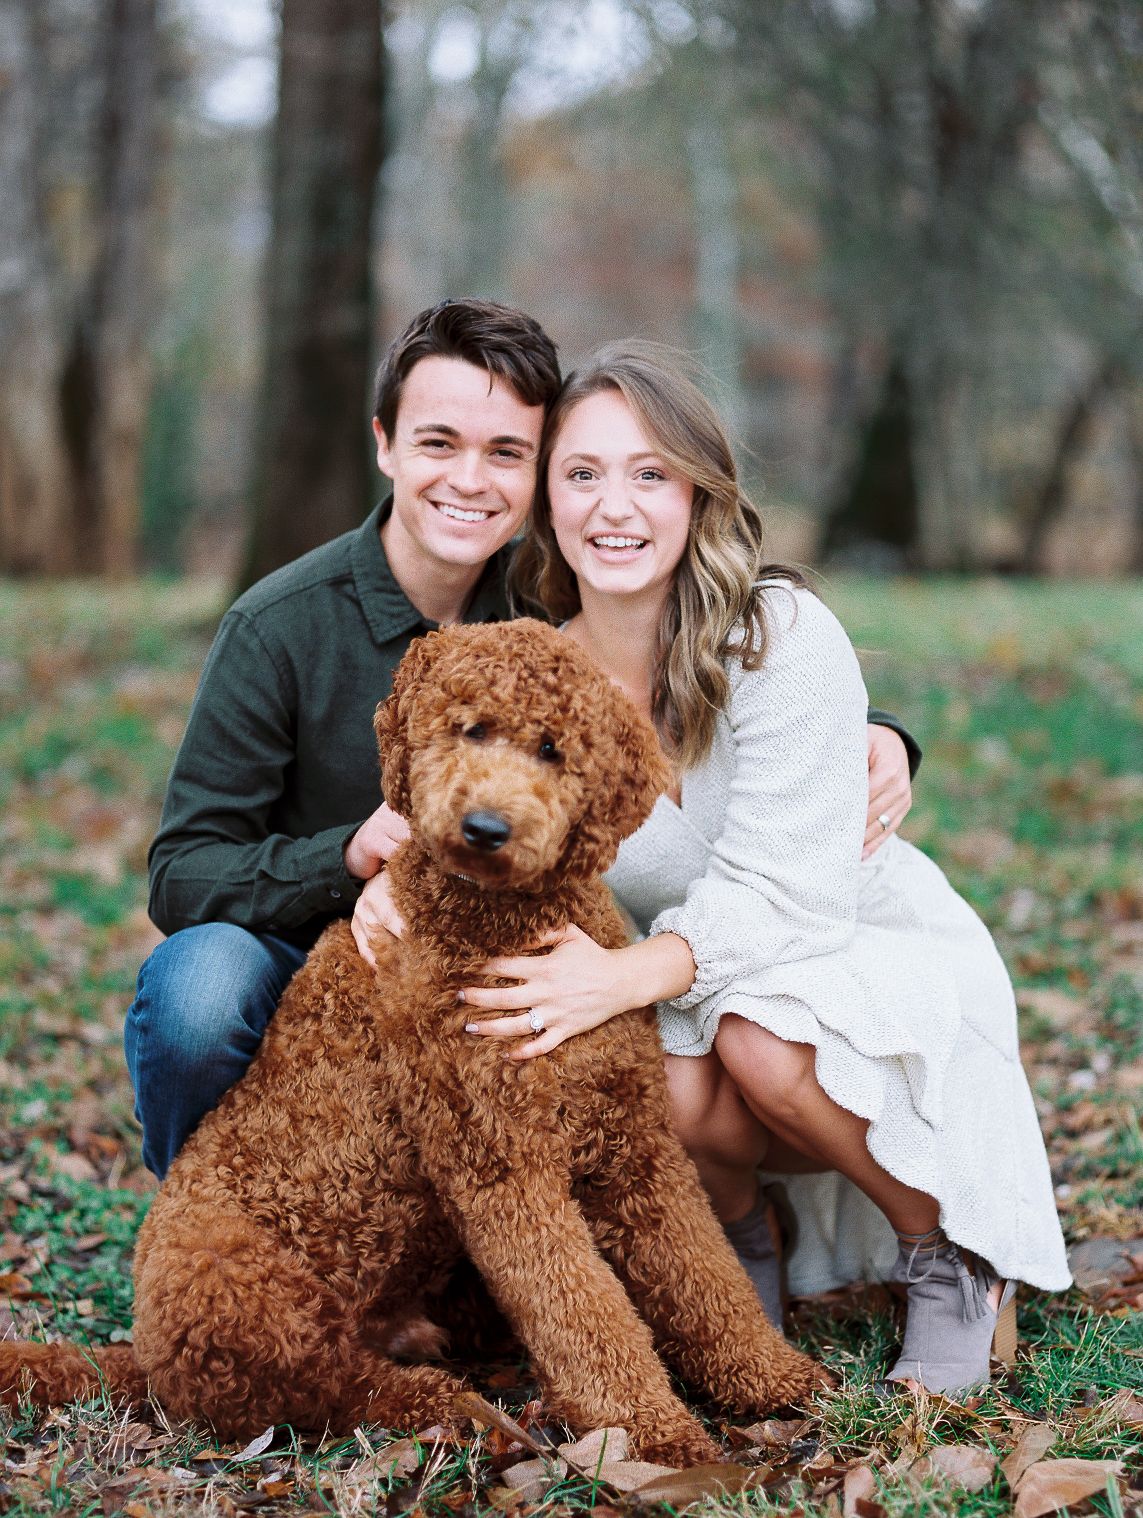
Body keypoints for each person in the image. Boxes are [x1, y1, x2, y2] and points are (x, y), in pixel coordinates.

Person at [408, 341, 1071, 1394]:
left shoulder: (779, 635)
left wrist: (621, 977)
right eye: (582, 474)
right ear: (546, 500)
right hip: (688, 983)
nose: (613, 508)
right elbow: (463, 806)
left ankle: (953, 1255)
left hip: (847, 939)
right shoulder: (543, 670)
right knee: (655, 1076)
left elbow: (791, 896)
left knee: (761, 1036)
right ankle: (742, 1242)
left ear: (698, 494)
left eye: (649, 474)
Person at [127, 300, 915, 1182]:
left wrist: (872, 732)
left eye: (505, 453)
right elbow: (182, 870)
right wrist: (344, 858)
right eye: (437, 444)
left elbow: (700, 641)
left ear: (538, 472)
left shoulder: (555, 592)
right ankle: (206, 1222)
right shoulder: (278, 628)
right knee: (197, 993)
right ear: (384, 444)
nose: (470, 480)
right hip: (307, 947)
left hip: (488, 943)